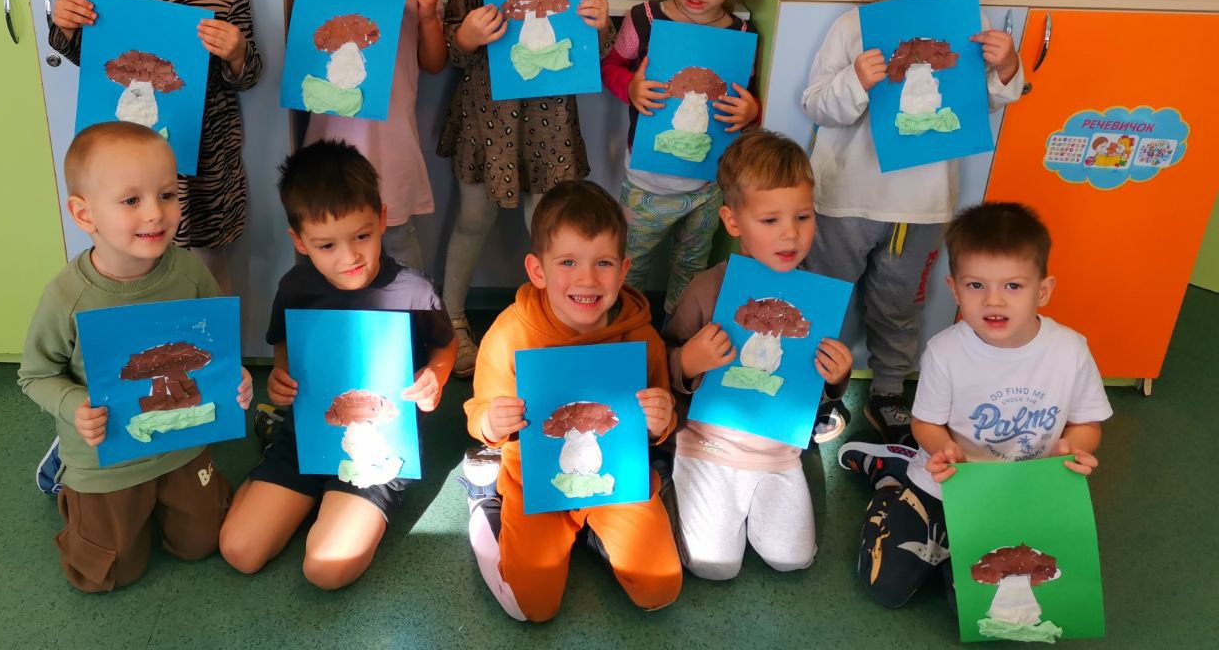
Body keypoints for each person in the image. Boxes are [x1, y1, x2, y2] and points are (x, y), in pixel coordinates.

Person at [801, 0, 1024, 443]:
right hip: (844, 200)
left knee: (899, 304)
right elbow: (817, 106)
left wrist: (1006, 67)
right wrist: (856, 80)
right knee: (826, 298)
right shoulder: (853, 27)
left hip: (921, 208)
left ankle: (889, 389)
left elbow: (981, 104)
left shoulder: (967, 27)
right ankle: (815, 387)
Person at [838, 201, 1111, 610]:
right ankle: (890, 478)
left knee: (989, 608)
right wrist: (941, 448)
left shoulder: (1070, 351)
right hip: (945, 484)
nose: (993, 301)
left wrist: (1074, 448)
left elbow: (1088, 423)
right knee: (885, 587)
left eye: (1013, 286)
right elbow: (926, 423)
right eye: (976, 285)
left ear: (1043, 290)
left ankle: (947, 537)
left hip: (1022, 493)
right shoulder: (946, 352)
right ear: (955, 289)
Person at [18, 122, 253, 592]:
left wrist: (238, 376)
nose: (155, 213)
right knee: (106, 574)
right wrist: (74, 406)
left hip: (182, 443)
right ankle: (63, 470)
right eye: (131, 200)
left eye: (167, 194)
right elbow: (35, 375)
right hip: (106, 455)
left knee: (202, 543)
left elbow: (217, 347)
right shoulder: (67, 296)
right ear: (84, 214)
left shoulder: (189, 271)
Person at [218, 141, 456, 590]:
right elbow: (285, 343)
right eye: (326, 245)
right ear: (299, 241)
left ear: (382, 219)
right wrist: (281, 377)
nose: (349, 258)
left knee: (326, 569)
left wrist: (435, 376)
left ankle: (342, 502)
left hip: (381, 450)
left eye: (361, 236)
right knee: (240, 551)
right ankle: (284, 465)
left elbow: (446, 344)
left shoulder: (413, 292)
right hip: (305, 437)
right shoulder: (296, 287)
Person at [47, 0, 263, 291]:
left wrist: (237, 52)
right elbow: (95, 64)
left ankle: (214, 339)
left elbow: (247, 78)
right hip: (124, 166)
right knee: (132, 272)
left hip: (201, 170)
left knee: (206, 277)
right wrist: (65, 26)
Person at [439, 0, 613, 377]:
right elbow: (450, 47)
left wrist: (600, 22)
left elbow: (593, 48)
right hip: (487, 119)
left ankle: (552, 321)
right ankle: (452, 317)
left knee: (551, 226)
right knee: (473, 218)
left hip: (550, 121)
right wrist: (469, 34)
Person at [461, 180, 682, 622]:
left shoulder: (641, 336)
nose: (587, 279)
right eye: (568, 262)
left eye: (603, 263)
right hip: (533, 477)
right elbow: (479, 414)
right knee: (532, 608)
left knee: (660, 588)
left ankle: (593, 534)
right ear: (537, 270)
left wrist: (662, 421)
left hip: (616, 478)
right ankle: (486, 501)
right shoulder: (509, 333)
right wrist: (490, 423)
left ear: (623, 270)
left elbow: (657, 421)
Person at [663, 129, 853, 580]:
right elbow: (663, 361)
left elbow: (811, 381)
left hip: (779, 452)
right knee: (713, 566)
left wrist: (836, 377)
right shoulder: (707, 288)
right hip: (707, 447)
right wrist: (687, 362)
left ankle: (768, 498)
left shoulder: (815, 298)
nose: (790, 234)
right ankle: (668, 486)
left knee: (792, 558)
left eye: (803, 217)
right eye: (770, 220)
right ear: (733, 222)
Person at [601, 0, 761, 320]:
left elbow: (747, 100)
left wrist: (752, 113)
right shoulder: (644, 19)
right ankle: (627, 332)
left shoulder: (742, 35)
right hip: (646, 184)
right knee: (630, 269)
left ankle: (678, 337)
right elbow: (611, 66)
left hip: (707, 189)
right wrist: (630, 87)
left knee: (691, 272)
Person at [297, 0, 446, 273]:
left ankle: (414, 308)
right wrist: (299, 9)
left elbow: (434, 63)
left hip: (389, 143)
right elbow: (302, 66)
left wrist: (429, 16)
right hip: (329, 143)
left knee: (395, 238)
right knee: (329, 236)